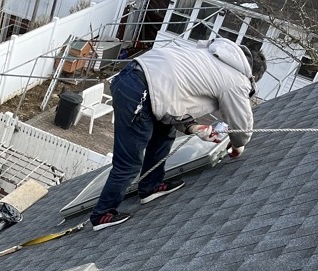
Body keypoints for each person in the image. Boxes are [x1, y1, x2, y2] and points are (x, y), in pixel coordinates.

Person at [90, 38, 266, 231]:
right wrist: (238, 144)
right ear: (253, 76)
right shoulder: (237, 80)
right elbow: (242, 125)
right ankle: (102, 214)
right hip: (140, 92)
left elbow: (173, 97)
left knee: (164, 134)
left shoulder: (214, 54)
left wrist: (192, 127)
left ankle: (151, 186)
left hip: (136, 79)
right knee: (129, 163)